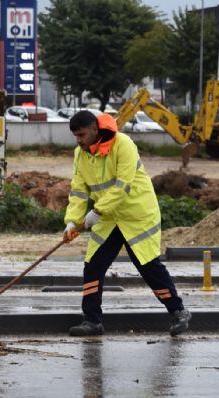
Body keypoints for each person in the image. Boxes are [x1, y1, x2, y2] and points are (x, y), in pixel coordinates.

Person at [63, 111, 191, 337]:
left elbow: (122, 186)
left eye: (81, 135)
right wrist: (72, 221)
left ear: (94, 129)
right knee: (93, 265)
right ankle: (92, 321)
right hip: (108, 219)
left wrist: (96, 212)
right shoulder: (80, 154)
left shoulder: (124, 144)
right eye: (75, 136)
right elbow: (78, 191)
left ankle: (178, 311)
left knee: (148, 266)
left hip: (136, 215)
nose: (78, 140)